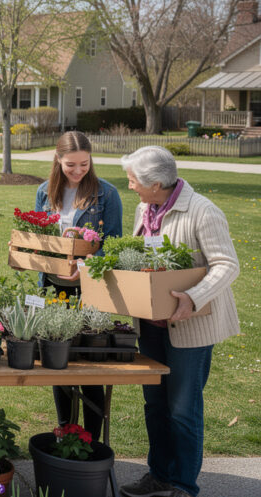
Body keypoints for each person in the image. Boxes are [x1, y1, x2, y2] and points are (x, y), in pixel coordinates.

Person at [118, 146, 239, 497]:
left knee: (183, 410)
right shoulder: (145, 208)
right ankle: (159, 475)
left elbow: (227, 265)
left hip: (190, 327)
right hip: (151, 326)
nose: (130, 186)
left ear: (156, 184)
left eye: (133, 180)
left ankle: (183, 485)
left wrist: (194, 297)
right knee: (155, 405)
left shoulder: (203, 211)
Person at [34, 131, 122, 443]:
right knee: (58, 361)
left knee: (88, 366)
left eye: (84, 164)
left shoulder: (106, 194)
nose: (78, 170)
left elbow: (114, 244)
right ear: (58, 160)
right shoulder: (45, 192)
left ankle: (90, 440)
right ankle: (64, 431)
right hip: (53, 287)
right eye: (71, 165)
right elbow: (40, 235)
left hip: (90, 290)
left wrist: (87, 266)